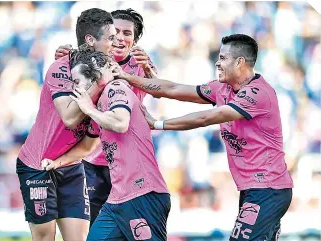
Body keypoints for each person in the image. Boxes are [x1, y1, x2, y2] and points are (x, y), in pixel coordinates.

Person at [117, 34, 294, 241]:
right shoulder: (222, 88)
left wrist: (158, 124)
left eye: (223, 58)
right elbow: (173, 89)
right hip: (254, 189)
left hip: (269, 189)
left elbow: (209, 117)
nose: (217, 63)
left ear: (240, 62)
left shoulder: (258, 93)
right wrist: (128, 77)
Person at [16, 8, 117, 241]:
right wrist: (99, 84)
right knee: (45, 238)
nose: (115, 43)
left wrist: (60, 162)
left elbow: (88, 146)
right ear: (90, 40)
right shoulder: (61, 69)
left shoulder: (107, 77)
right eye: (110, 38)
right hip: (37, 165)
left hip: (70, 165)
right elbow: (70, 118)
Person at [54, 8, 158, 227]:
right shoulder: (88, 61)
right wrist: (63, 58)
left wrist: (148, 71)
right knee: (93, 228)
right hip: (93, 161)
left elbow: (160, 88)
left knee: (133, 227)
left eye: (127, 33)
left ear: (135, 40)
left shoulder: (141, 65)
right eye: (115, 32)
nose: (120, 38)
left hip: (129, 163)